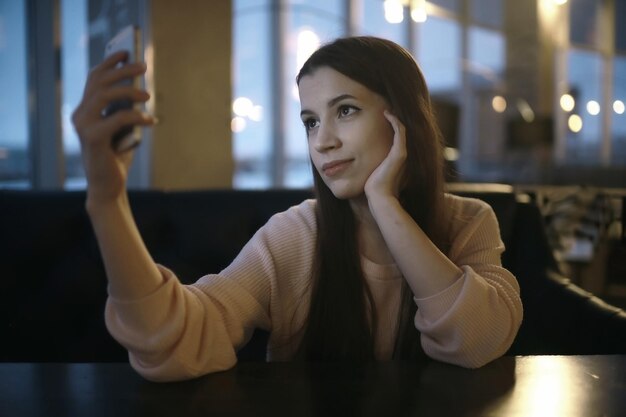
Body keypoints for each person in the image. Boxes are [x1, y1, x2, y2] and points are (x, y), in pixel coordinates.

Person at [72, 36, 522, 382]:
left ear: (405, 120)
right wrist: (108, 202)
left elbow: (477, 340)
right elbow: (177, 339)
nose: (321, 140)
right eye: (311, 121)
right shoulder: (294, 235)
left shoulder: (470, 221)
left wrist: (385, 204)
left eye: (345, 111)